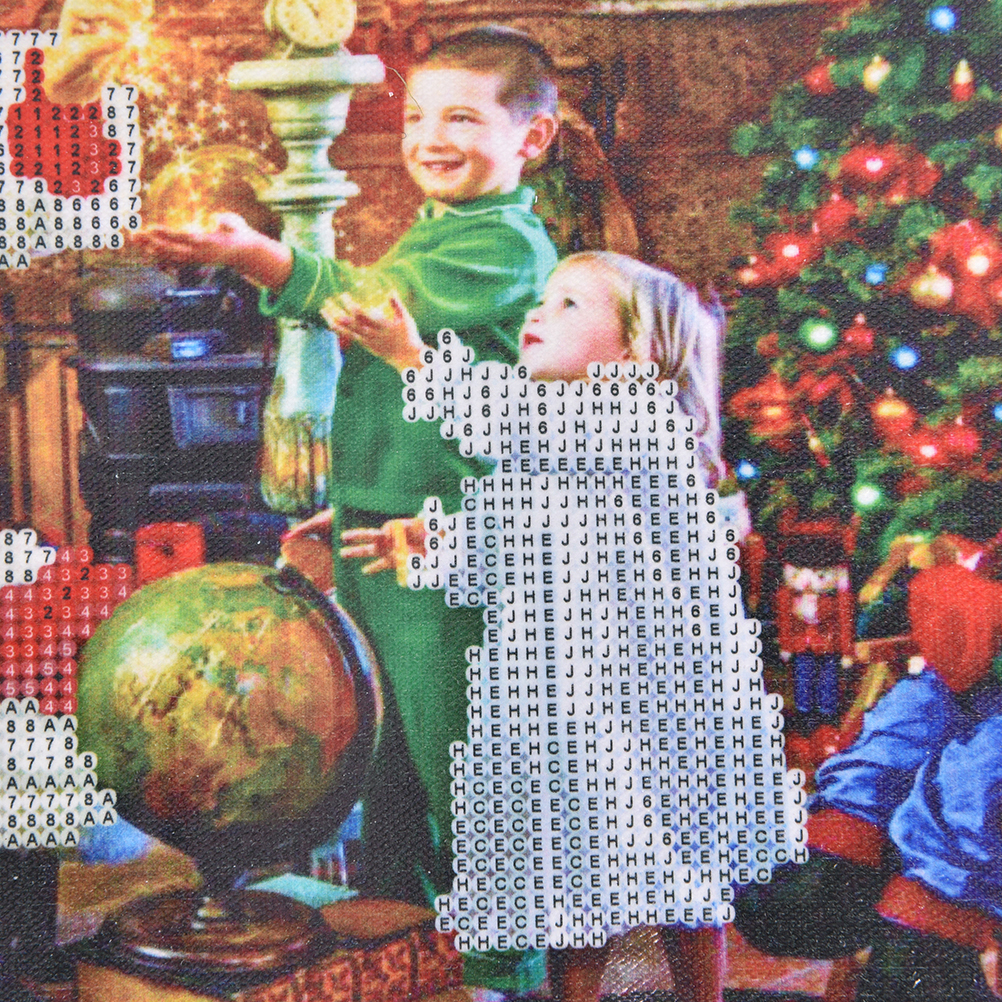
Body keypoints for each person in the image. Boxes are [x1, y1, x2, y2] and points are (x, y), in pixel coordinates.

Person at [139, 26, 560, 993]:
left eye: (463, 118)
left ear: (531, 139)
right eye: (417, 116)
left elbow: (365, 305)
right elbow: (399, 395)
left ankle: (506, 966)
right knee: (390, 757)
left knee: (463, 755)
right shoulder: (442, 227)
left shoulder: (503, 241)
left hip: (448, 545)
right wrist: (352, 502)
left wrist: (258, 254)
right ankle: (403, 931)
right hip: (386, 524)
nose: (431, 138)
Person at [334, 251, 762, 1002]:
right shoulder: (553, 445)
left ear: (634, 356)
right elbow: (518, 537)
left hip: (651, 712)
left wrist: (411, 356)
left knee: (685, 879)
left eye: (569, 305)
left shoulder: (635, 425)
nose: (539, 311)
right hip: (570, 705)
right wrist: (437, 541)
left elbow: (506, 423)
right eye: (544, 297)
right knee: (574, 886)